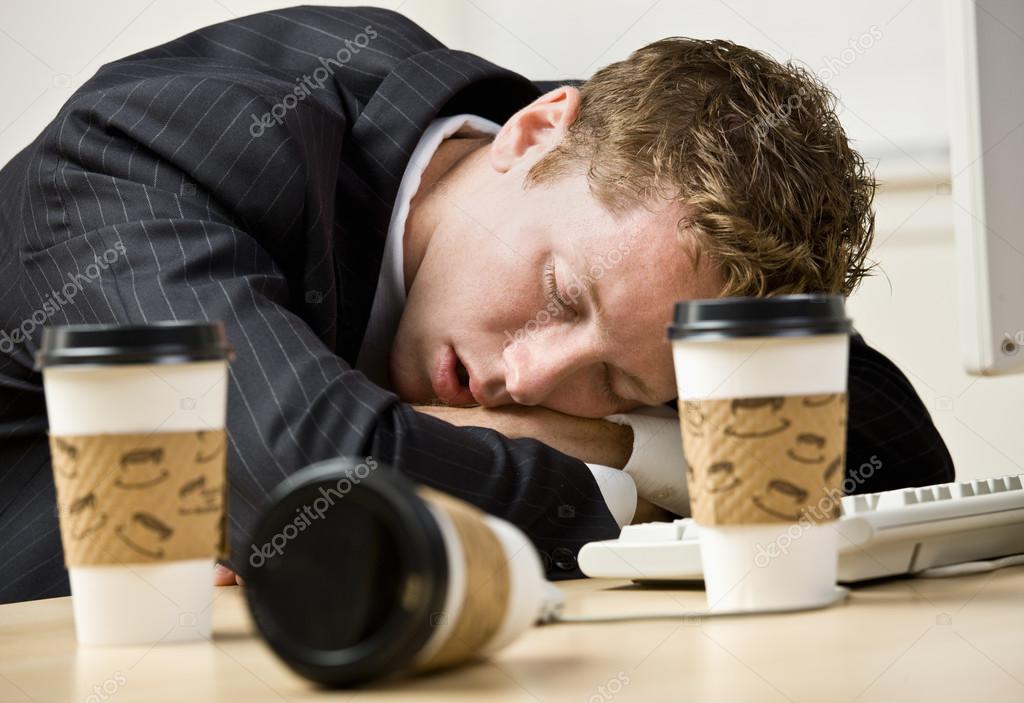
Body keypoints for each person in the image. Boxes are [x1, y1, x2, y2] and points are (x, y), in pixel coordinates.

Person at [0, 6, 953, 603]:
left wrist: (621, 437)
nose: (528, 379)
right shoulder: (154, 147)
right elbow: (311, 484)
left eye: (617, 379)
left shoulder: (631, 193)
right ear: (537, 130)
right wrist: (608, 481)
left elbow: (895, 453)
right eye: (559, 296)